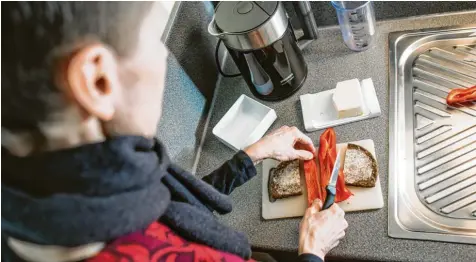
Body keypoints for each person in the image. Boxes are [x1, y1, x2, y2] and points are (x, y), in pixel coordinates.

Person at [1, 2, 348, 262]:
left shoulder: (54, 197)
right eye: (152, 41)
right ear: (98, 82)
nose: (164, 61)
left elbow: (176, 211)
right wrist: (312, 251)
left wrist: (252, 154)